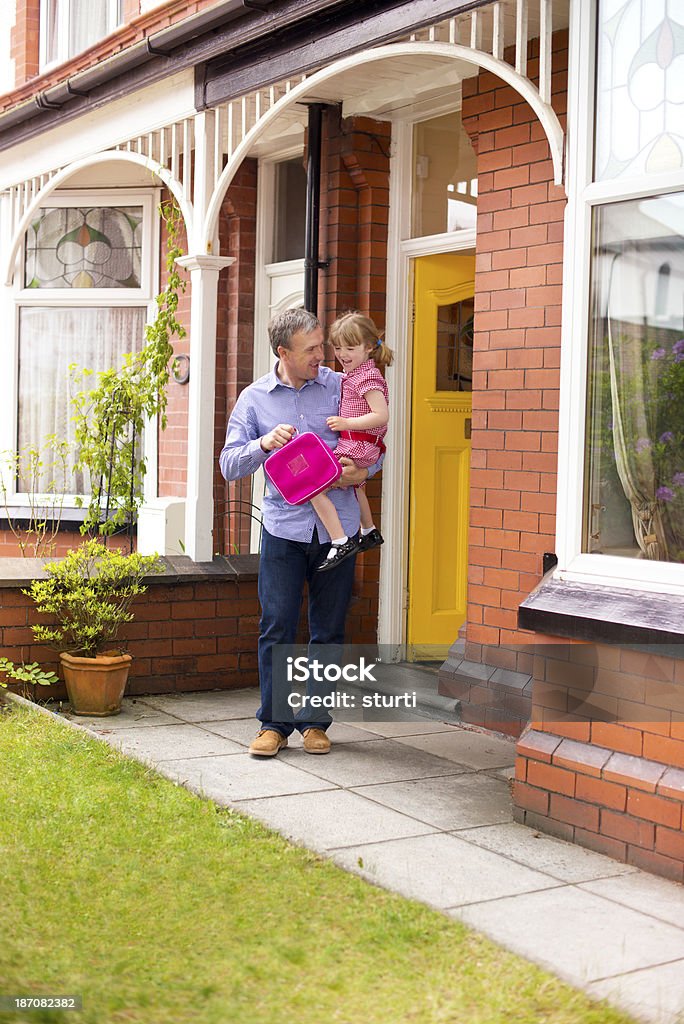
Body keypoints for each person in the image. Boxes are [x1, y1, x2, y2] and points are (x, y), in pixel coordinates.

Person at [219, 308, 382, 758]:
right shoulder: (254, 399)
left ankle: (315, 722)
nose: (322, 355)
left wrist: (359, 469)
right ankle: (274, 724)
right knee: (278, 627)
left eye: (321, 345)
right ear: (283, 352)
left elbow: (374, 446)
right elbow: (229, 464)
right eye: (311, 348)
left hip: (340, 530)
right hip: (284, 530)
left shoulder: (340, 385)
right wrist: (263, 443)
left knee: (328, 629)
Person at [312, 311, 393, 572]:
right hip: (360, 444)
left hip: (359, 443)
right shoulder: (355, 374)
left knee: (313, 485)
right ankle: (368, 530)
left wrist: (347, 424)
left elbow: (381, 415)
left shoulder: (367, 378)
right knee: (355, 485)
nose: (342, 353)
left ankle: (340, 540)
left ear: (369, 347)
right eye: (337, 347)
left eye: (350, 347)